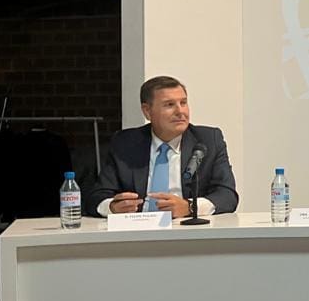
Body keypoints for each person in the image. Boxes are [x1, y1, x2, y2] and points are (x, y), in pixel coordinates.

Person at [86, 76, 238, 218]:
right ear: (147, 111)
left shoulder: (208, 140)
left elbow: (227, 195)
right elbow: (96, 197)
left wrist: (189, 207)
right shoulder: (125, 143)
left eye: (183, 103)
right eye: (169, 105)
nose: (180, 111)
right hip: (138, 227)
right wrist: (113, 207)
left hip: (187, 228)